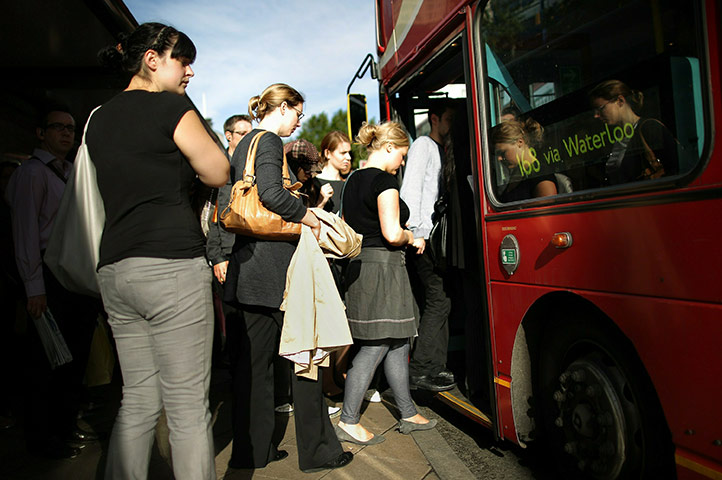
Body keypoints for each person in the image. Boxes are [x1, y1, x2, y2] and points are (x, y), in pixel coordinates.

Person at [89, 23, 229, 479]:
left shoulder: (98, 118)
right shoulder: (171, 107)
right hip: (171, 264)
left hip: (115, 269)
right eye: (182, 60)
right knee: (188, 408)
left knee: (138, 399)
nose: (189, 71)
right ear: (152, 59)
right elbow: (217, 171)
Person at [222, 83, 352, 473]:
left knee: (254, 370)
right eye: (298, 112)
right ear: (282, 107)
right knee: (306, 359)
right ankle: (317, 451)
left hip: (248, 272)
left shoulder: (242, 144)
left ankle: (254, 450)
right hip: (277, 273)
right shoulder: (267, 142)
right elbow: (273, 195)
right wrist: (312, 217)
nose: (300, 120)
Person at [5, 106, 100, 459]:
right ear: (40, 133)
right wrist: (34, 287)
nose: (66, 134)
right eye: (57, 127)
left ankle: (63, 426)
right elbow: (26, 233)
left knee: (73, 359)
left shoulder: (72, 171)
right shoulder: (32, 173)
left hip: (74, 275)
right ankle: (42, 439)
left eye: (71, 129)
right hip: (47, 276)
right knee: (45, 362)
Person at [337, 121, 437, 445]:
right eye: (403, 155)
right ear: (390, 147)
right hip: (383, 269)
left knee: (396, 341)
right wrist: (413, 237)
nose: (403, 162)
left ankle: (408, 412)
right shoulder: (384, 180)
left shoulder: (353, 180)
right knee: (377, 344)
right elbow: (392, 233)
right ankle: (348, 420)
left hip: (361, 266)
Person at [399, 100, 455, 392]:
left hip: (431, 238)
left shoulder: (440, 148)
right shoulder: (423, 145)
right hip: (424, 239)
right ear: (434, 118)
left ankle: (435, 367)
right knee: (438, 301)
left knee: (438, 301)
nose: (451, 125)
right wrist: (417, 232)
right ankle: (421, 369)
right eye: (448, 119)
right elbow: (410, 192)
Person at [589, 79, 679, 185]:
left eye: (601, 108)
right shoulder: (615, 138)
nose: (596, 115)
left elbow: (679, 165)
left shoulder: (649, 128)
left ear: (620, 101)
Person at [491, 118, 558, 202]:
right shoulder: (517, 175)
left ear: (520, 142)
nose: (499, 158)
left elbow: (547, 211)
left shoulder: (541, 175)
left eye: (503, 152)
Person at [316, 130, 352, 213]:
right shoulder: (313, 184)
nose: (348, 157)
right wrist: (320, 203)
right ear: (327, 153)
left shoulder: (348, 184)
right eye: (343, 153)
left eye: (349, 152)